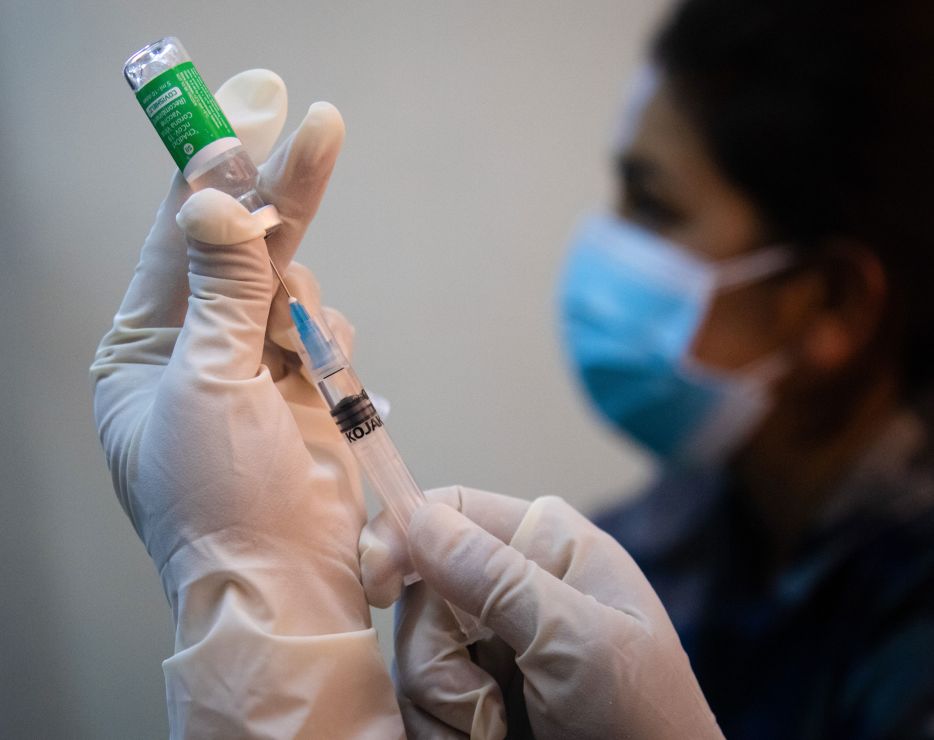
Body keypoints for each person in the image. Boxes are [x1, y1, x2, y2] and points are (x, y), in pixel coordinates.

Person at [91, 1, 934, 738]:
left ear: (829, 303)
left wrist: (259, 599)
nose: (608, 245)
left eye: (654, 205)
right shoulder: (665, 542)